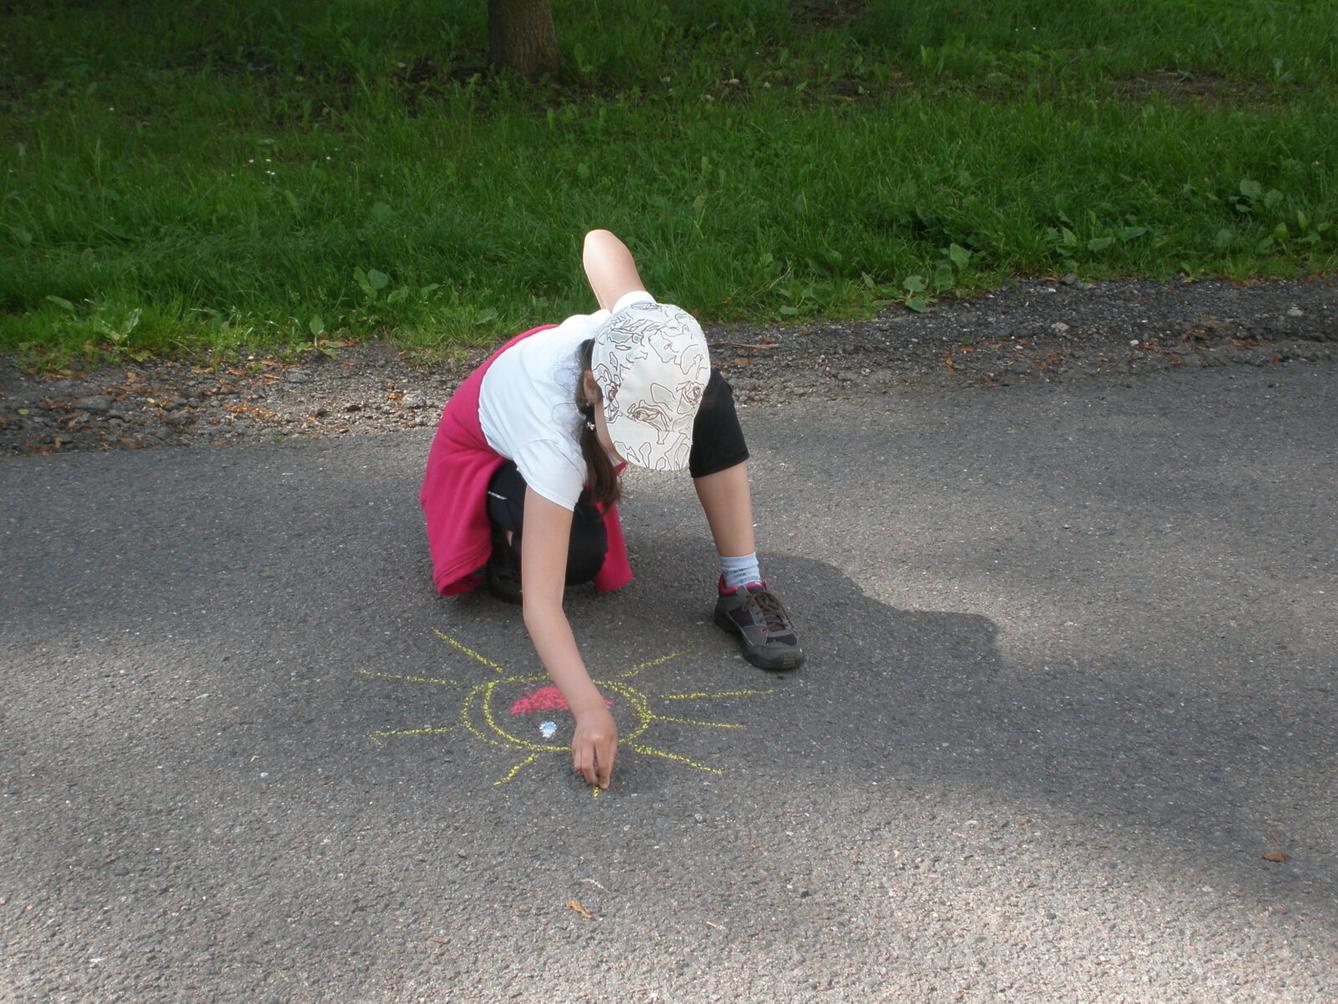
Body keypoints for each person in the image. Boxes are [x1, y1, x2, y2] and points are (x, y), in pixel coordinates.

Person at [421, 230, 804, 790]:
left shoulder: (646, 336)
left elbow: (597, 239)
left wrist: (633, 306)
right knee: (577, 556)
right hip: (484, 455)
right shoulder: (551, 438)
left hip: (571, 413)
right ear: (592, 389)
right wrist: (590, 710)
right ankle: (504, 540)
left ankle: (742, 583)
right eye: (626, 434)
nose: (632, 454)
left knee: (714, 394)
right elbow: (543, 606)